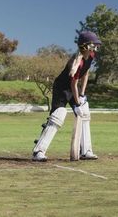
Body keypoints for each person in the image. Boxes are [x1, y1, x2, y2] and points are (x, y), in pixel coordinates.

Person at [32, 31, 101, 162]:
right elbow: (73, 83)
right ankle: (38, 151)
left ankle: (86, 151)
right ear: (85, 46)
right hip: (62, 89)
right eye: (93, 44)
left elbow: (86, 75)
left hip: (75, 89)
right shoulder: (75, 63)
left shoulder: (91, 56)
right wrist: (77, 102)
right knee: (59, 115)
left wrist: (82, 95)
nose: (95, 46)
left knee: (85, 113)